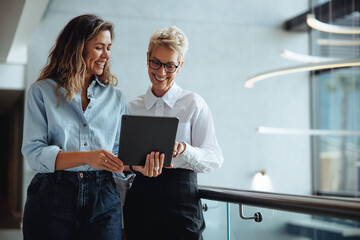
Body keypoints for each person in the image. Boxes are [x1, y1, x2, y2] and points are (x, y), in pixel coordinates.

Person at [21, 14, 164, 240]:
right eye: (99, 47)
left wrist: (136, 167)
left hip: (103, 198)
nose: (106, 55)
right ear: (77, 48)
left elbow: (118, 154)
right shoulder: (41, 92)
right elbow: (34, 154)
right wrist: (88, 157)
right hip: (51, 196)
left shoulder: (115, 97)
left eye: (108, 47)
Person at [123, 26, 224, 240]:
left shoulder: (194, 103)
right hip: (140, 197)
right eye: (156, 63)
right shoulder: (131, 108)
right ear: (148, 58)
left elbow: (214, 159)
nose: (161, 72)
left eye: (170, 66)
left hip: (182, 196)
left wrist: (185, 150)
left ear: (180, 67)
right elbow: (119, 160)